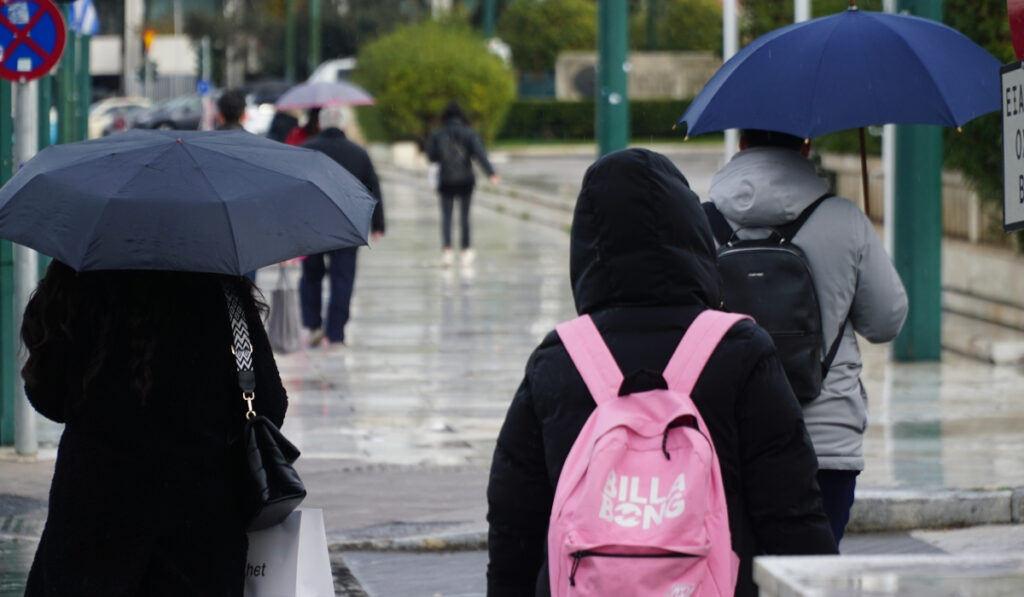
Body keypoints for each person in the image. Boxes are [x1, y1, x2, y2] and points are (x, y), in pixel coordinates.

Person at [486, 148, 837, 597]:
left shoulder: (559, 358)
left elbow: (514, 519)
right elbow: (791, 510)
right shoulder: (741, 351)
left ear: (588, 245)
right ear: (692, 234)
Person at [21, 261, 288, 596]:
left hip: (92, 520)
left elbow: (47, 395)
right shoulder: (224, 292)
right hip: (200, 533)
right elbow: (269, 405)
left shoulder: (81, 281)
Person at [706, 129, 908, 545]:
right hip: (825, 442)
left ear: (741, 144)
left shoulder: (698, 221)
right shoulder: (844, 218)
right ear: (806, 146)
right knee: (814, 575)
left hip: (727, 439)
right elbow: (885, 321)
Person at [299, 105, 385, 349]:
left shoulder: (306, 151)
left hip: (311, 225)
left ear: (319, 124)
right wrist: (378, 224)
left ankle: (313, 324)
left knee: (311, 276)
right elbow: (373, 189)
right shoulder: (359, 154)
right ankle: (335, 334)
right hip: (348, 225)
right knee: (343, 279)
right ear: (344, 126)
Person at [426, 100, 500, 267]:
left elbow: (432, 157)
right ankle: (466, 251)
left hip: (445, 180)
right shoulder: (469, 134)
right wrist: (491, 174)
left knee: (446, 217)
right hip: (466, 180)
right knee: (465, 217)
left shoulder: (437, 135)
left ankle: (447, 251)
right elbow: (480, 155)